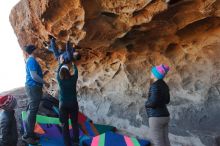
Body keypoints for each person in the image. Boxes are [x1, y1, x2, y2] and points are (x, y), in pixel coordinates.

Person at [22, 45, 49, 144]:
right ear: (33, 50)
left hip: (32, 87)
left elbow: (34, 75)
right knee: (32, 111)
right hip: (33, 87)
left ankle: (30, 133)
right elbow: (34, 76)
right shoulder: (32, 61)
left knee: (32, 111)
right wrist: (45, 82)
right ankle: (27, 136)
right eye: (37, 49)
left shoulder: (30, 60)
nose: (38, 50)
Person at [145, 64, 171, 146]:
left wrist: (146, 104)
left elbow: (153, 102)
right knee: (166, 140)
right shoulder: (165, 85)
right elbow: (167, 101)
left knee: (157, 142)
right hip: (165, 116)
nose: (151, 74)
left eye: (152, 72)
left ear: (156, 75)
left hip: (156, 117)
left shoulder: (155, 85)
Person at [57, 57, 79, 146]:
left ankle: (67, 143)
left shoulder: (60, 80)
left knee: (64, 124)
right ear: (68, 72)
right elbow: (76, 72)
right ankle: (76, 140)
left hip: (63, 105)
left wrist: (61, 63)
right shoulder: (73, 79)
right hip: (73, 103)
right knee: (74, 123)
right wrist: (73, 64)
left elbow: (57, 72)